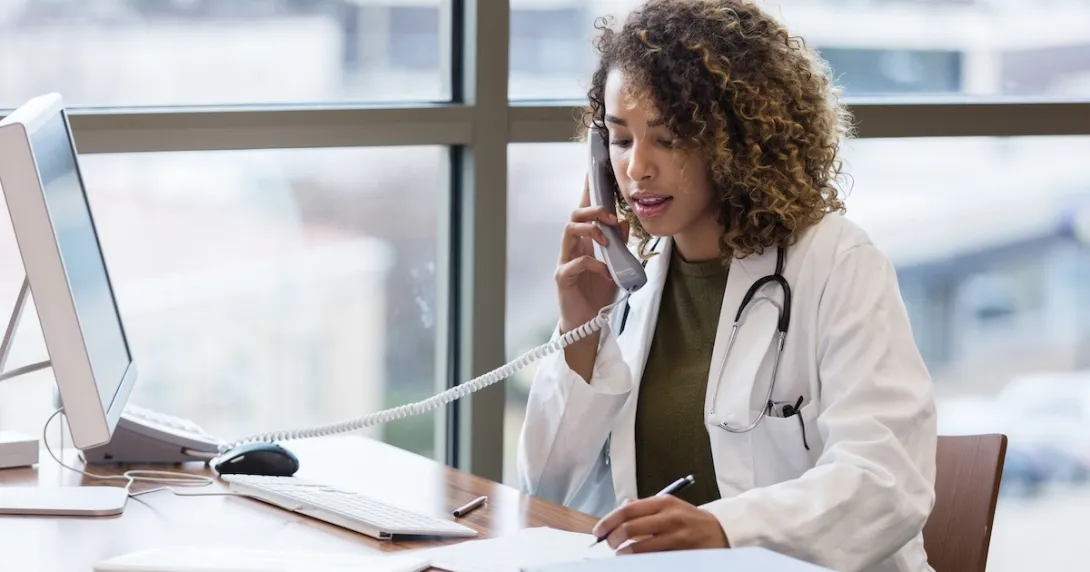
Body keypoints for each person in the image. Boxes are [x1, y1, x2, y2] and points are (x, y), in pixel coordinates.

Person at [516, 1, 937, 571]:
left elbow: (885, 482)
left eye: (667, 139)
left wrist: (723, 527)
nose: (636, 168)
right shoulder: (627, 287)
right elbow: (545, 489)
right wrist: (580, 335)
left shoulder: (838, 262)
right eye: (619, 140)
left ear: (737, 142)